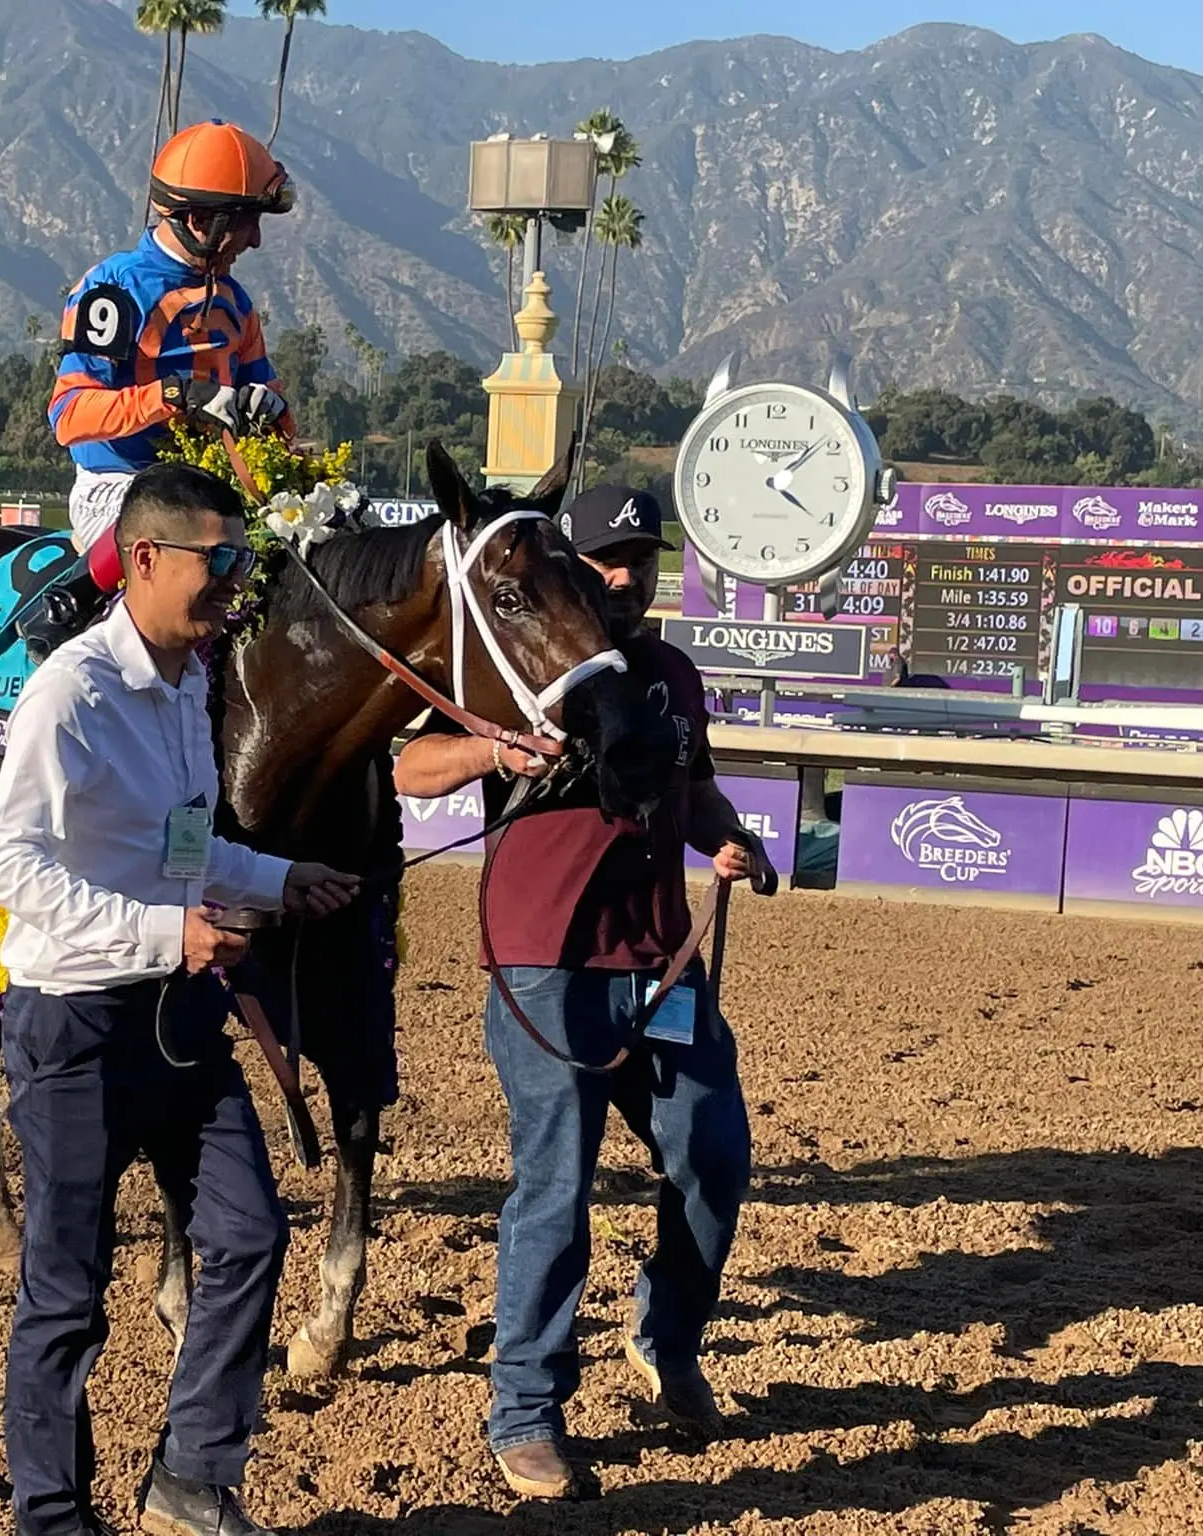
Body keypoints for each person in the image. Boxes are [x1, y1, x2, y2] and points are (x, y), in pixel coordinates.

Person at [0, 462, 360, 1536]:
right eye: (219, 560)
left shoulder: (194, 682)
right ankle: (52, 1519)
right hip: (77, 1030)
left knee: (249, 1234)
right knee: (67, 1291)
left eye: (242, 559)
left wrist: (281, 880)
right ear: (144, 558)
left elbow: (185, 851)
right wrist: (165, 932)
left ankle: (190, 1480)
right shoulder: (72, 693)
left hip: (179, 1020)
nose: (234, 582)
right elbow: (7, 865)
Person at [393, 481, 768, 1501]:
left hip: (660, 963)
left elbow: (695, 792)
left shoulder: (673, 675)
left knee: (714, 1157)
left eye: (638, 561)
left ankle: (666, 1339)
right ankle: (524, 1411)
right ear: (571, 566)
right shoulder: (522, 662)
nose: (621, 577)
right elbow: (412, 767)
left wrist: (730, 838)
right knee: (555, 1188)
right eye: (603, 560)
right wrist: (495, 747)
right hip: (543, 963)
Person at [20, 119, 299, 662]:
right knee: (181, 535)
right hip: (118, 485)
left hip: (213, 491)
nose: (255, 240)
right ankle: (65, 610)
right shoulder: (114, 289)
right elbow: (69, 415)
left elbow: (274, 411)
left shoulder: (237, 303)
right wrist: (173, 397)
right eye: (246, 221)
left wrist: (272, 410)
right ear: (199, 220)